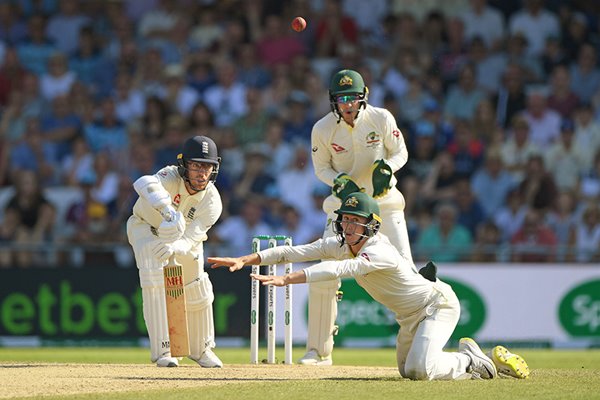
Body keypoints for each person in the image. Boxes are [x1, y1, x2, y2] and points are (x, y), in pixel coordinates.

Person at [208, 192, 530, 380]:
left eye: (355, 220)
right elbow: (296, 251)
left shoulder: (379, 251)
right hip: (409, 318)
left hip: (436, 306)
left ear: (371, 224)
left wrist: (287, 279)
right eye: (345, 219)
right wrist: (247, 259)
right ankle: (466, 362)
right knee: (407, 372)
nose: (348, 226)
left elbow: (340, 269)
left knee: (421, 370)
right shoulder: (341, 242)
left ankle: (472, 361)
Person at [127, 135, 223, 368]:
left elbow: (192, 238)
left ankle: (201, 349)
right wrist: (168, 211)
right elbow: (142, 183)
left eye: (207, 166)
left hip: (183, 240)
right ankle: (164, 350)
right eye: (196, 165)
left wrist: (174, 246)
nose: (202, 173)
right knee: (153, 278)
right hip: (145, 228)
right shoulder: (169, 176)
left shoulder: (212, 201)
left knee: (197, 283)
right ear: (184, 165)